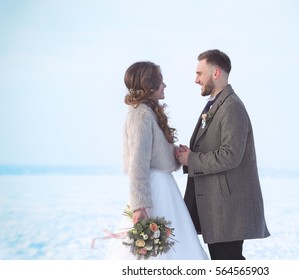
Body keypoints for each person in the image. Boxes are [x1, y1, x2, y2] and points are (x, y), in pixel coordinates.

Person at [104, 61, 208, 260]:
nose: (165, 85)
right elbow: (138, 163)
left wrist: (176, 153)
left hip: (163, 186)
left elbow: (153, 153)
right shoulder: (141, 114)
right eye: (161, 81)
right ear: (149, 84)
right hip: (153, 191)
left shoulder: (148, 112)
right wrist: (140, 206)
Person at [177, 49, 270, 260]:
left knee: (228, 263)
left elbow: (230, 155)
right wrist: (186, 156)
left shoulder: (232, 107)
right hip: (216, 207)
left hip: (226, 209)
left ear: (216, 73)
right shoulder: (216, 104)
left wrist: (190, 159)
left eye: (200, 73)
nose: (195, 79)